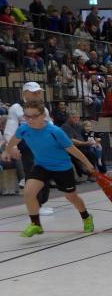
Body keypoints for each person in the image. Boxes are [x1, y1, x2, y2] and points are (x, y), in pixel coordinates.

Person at [1, 102, 95, 237]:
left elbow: (72, 149)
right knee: (28, 192)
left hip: (62, 168)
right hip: (41, 166)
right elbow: (14, 140)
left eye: (34, 116)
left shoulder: (55, 132)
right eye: (27, 116)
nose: (30, 120)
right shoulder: (23, 129)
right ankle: (36, 224)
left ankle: (86, 217)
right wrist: (7, 151)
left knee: (71, 196)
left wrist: (87, 163)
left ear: (43, 116)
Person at [4, 82, 53, 211]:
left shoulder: (44, 109)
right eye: (34, 92)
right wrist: (12, 147)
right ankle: (36, 204)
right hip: (27, 145)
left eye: (38, 92)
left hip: (44, 144)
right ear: (25, 93)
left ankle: (42, 201)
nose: (37, 95)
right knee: (33, 173)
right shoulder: (16, 108)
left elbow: (51, 126)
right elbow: (10, 129)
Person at [61, 110, 99, 180]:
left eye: (78, 117)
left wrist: (94, 139)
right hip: (73, 148)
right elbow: (71, 140)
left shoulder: (78, 125)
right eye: (74, 117)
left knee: (95, 152)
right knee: (88, 154)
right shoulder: (65, 126)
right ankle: (88, 173)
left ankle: (92, 173)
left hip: (83, 146)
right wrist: (84, 143)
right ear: (68, 118)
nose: (76, 119)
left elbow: (87, 130)